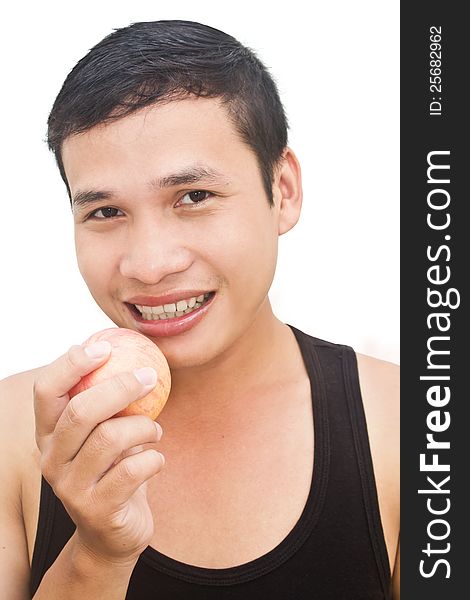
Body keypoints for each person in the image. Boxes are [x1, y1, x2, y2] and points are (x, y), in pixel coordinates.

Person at [0, 20, 399, 599]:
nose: (149, 264)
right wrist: (97, 554)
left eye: (194, 197)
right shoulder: (12, 436)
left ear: (282, 189)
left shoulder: (413, 431)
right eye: (105, 212)